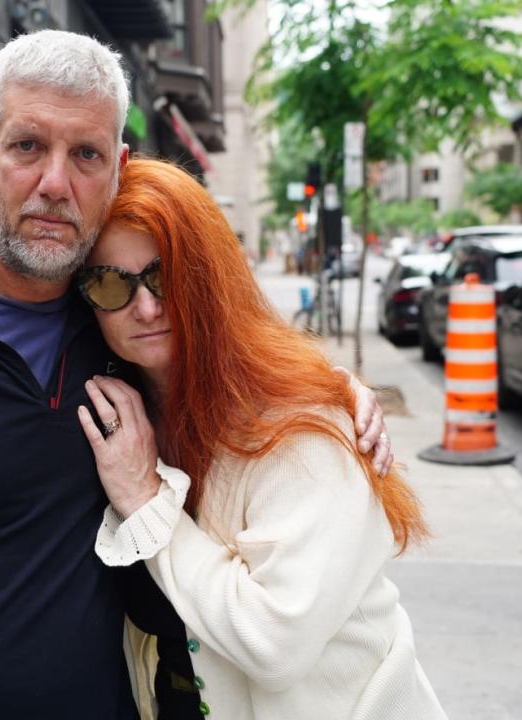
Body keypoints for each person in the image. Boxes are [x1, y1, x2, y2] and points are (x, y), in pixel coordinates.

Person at [0, 30, 392, 718]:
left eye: (85, 154)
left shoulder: (117, 325)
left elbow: (221, 346)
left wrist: (321, 389)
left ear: (116, 168)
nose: (55, 183)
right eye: (28, 146)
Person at [76, 158, 447, 720]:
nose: (146, 306)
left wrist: (147, 500)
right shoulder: (116, 415)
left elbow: (274, 644)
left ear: (210, 277)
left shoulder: (299, 427)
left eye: (165, 276)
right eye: (110, 284)